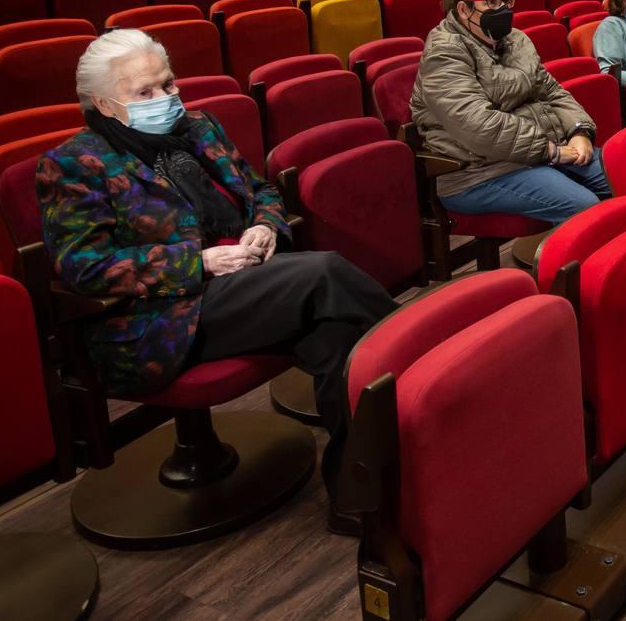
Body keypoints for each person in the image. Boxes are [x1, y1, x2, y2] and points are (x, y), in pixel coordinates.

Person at [36, 29, 397, 529]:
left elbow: (260, 190)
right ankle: (427, 369)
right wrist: (199, 262)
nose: (166, 100)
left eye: (169, 85)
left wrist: (265, 226)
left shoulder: (199, 126)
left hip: (247, 276)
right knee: (327, 273)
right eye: (145, 93)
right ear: (104, 103)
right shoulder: (74, 164)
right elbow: (84, 266)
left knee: (336, 333)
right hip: (159, 317)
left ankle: (362, 499)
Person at [410, 0, 611, 224]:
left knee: (625, 178)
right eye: (491, 2)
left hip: (533, 153)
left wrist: (579, 132)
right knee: (586, 208)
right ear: (464, 9)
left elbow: (552, 91)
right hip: (478, 172)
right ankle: (569, 263)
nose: (502, 9)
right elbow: (478, 125)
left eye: (506, 1)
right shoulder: (444, 53)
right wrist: (549, 151)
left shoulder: (515, 40)